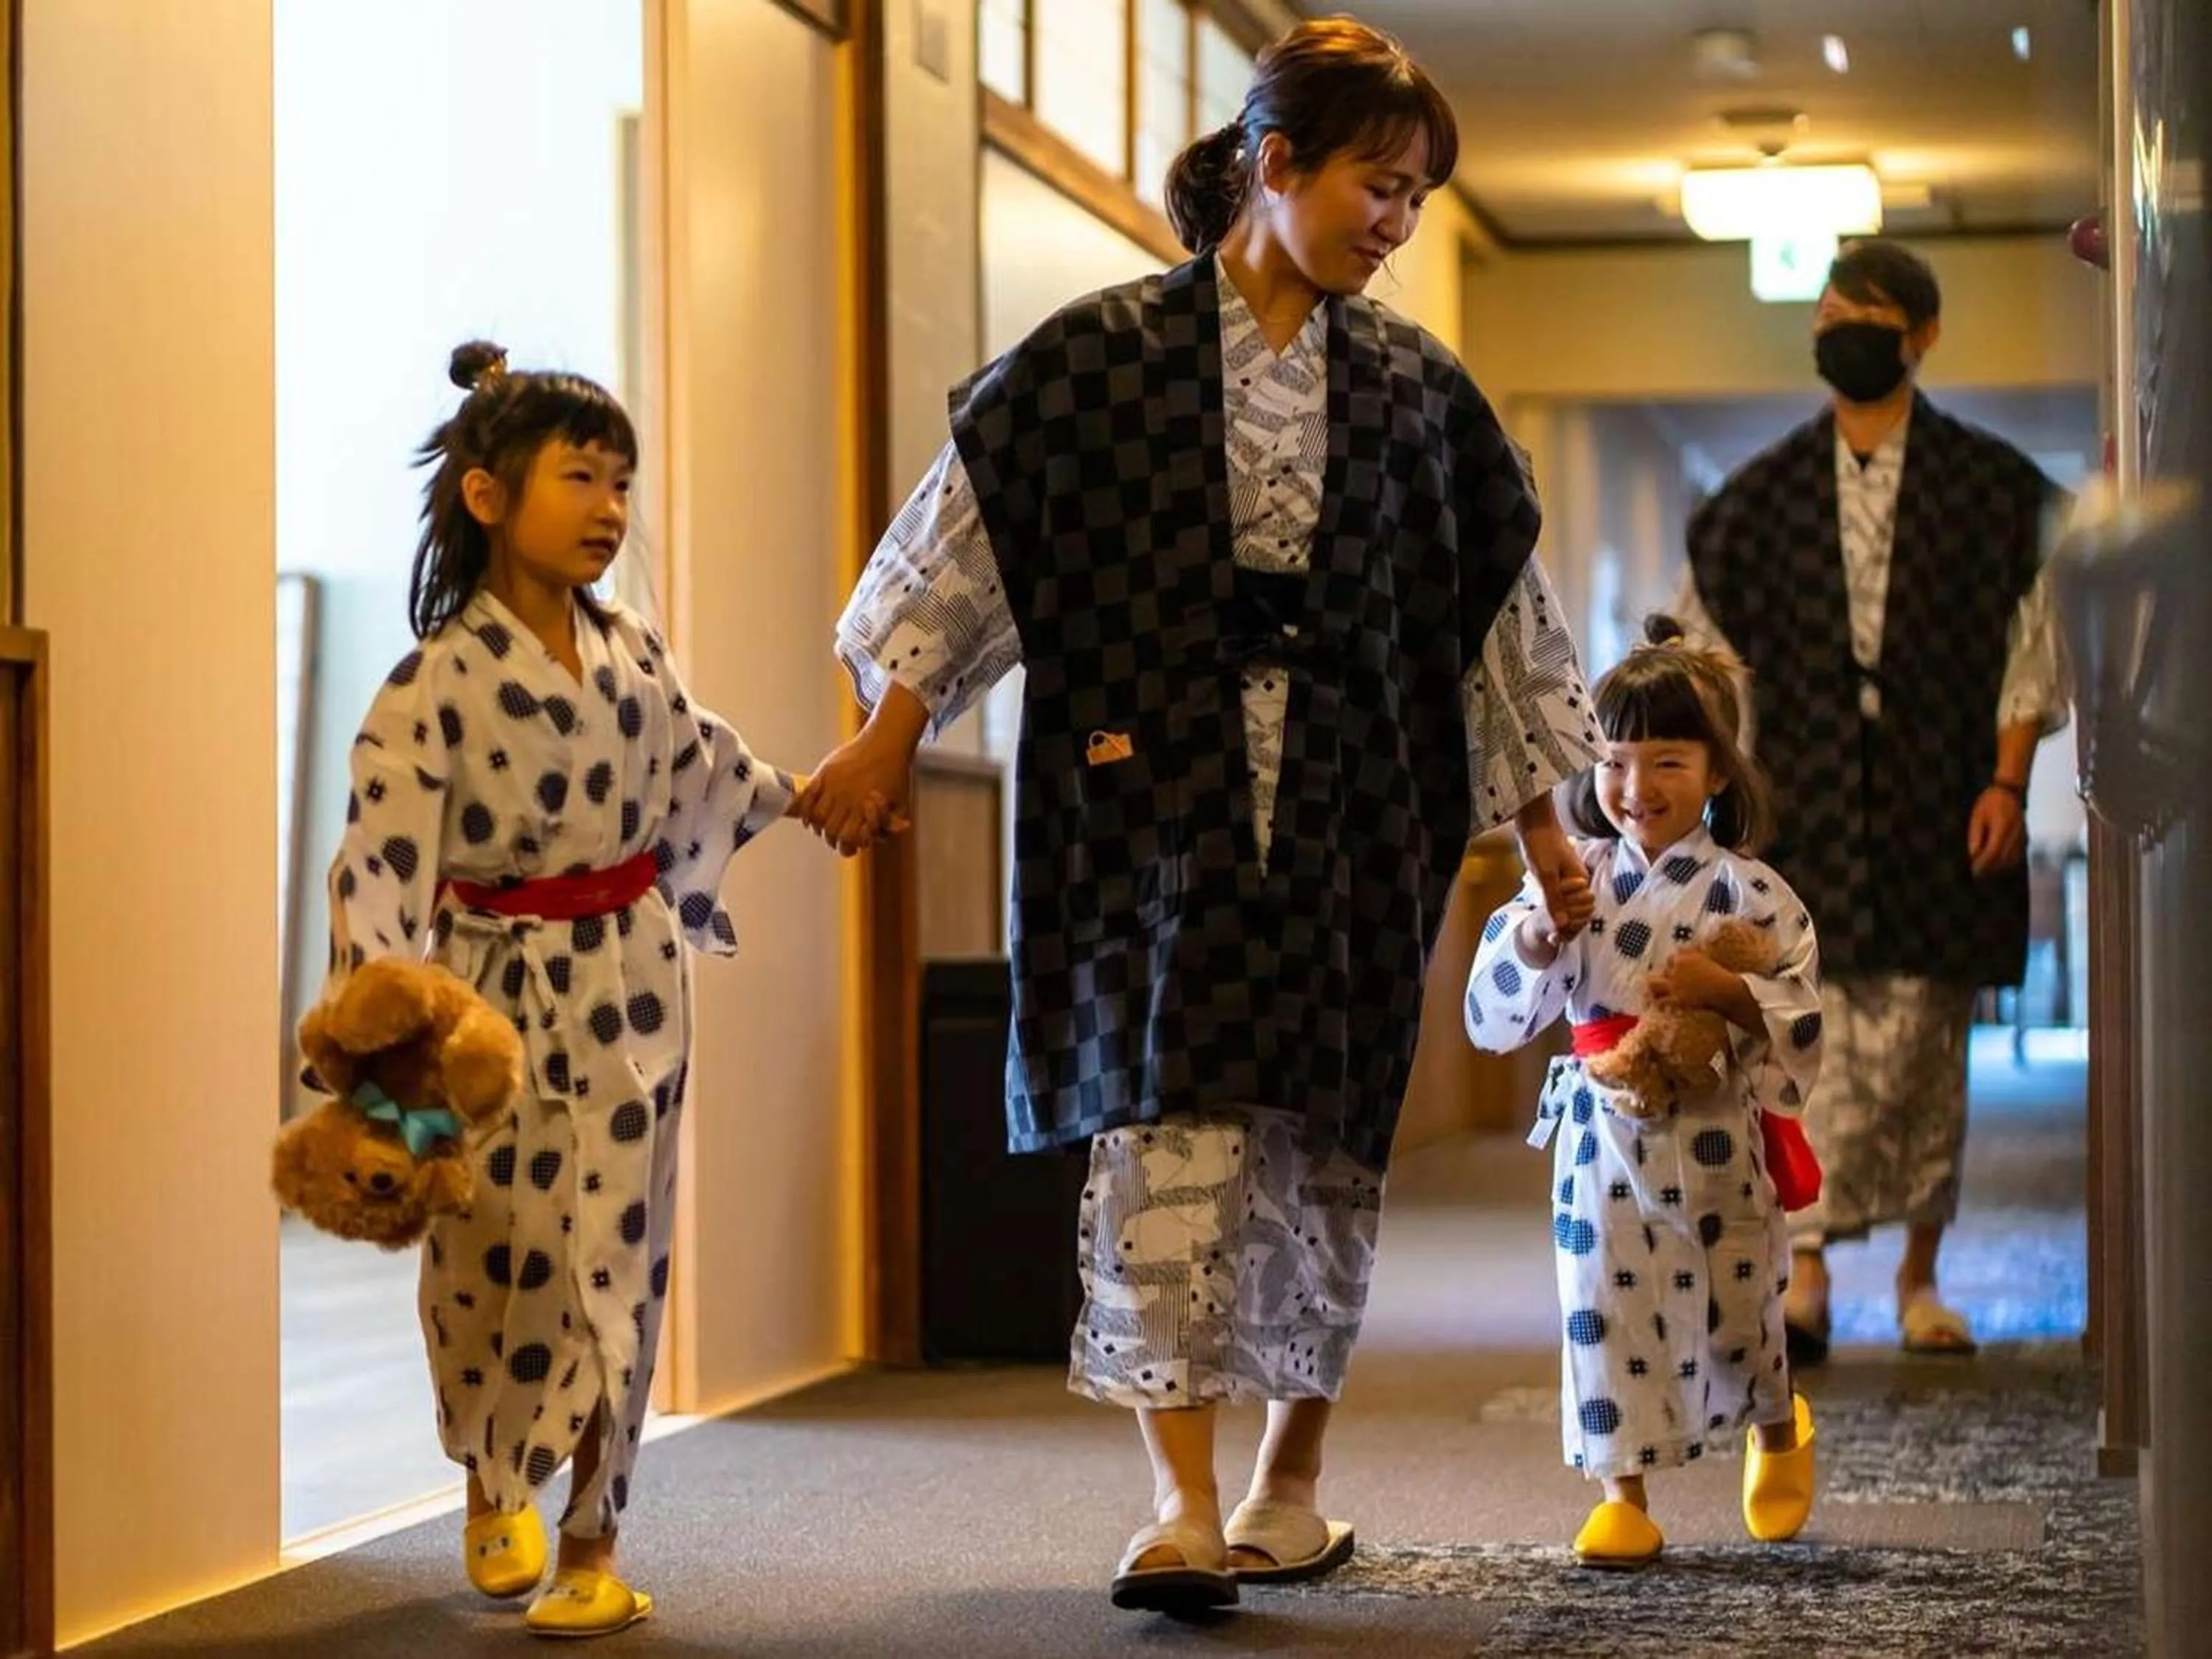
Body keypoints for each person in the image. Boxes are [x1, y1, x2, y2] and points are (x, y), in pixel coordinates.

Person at [802, 17, 1601, 1615]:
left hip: (1357, 815)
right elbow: (967, 546)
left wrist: (1552, 832)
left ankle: (1287, 1486)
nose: (1397, 224)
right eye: (1380, 187)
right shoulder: (1093, 357)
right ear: (1275, 163)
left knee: (1326, 1145)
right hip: (1143, 809)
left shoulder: (1422, 392)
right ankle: (1176, 1504)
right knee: (1166, 1141)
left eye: (1421, 200)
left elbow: (1495, 619)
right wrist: (888, 739)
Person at [317, 342, 885, 1638]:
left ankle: (593, 1535)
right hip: (479, 1013)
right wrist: (371, 1046)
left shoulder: (635, 654)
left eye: (623, 481)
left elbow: (709, 765)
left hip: (629, 987)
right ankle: (489, 1474)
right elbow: (382, 864)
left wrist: (823, 798)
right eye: (581, 476)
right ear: (486, 495)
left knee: (615, 1256)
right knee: (482, 1254)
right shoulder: (427, 693)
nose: (612, 507)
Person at [1677, 239, 2071, 1361]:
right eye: (1832, 308)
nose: (1845, 325)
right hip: (1801, 800)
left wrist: (2009, 776)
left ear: (1922, 333)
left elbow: (2032, 645)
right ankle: (1806, 1274)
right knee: (1808, 1038)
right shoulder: (1750, 504)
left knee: (1925, 1036)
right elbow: (1709, 669)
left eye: (1871, 309)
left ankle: (1919, 1273)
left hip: (1942, 794)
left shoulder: (1996, 487)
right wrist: (1711, 802)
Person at [1467, 619, 1825, 1566]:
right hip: (1601, 1136)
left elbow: (1799, 1009)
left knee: (1739, 1311)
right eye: (1616, 762)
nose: (1636, 788)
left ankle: (1778, 1426)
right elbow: (1494, 1009)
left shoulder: (1752, 891)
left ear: (1717, 774)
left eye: (1668, 761)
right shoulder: (1572, 874)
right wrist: (1540, 939)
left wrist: (1732, 996)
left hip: (1714, 1134)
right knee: (1602, 1307)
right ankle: (1623, 1493)